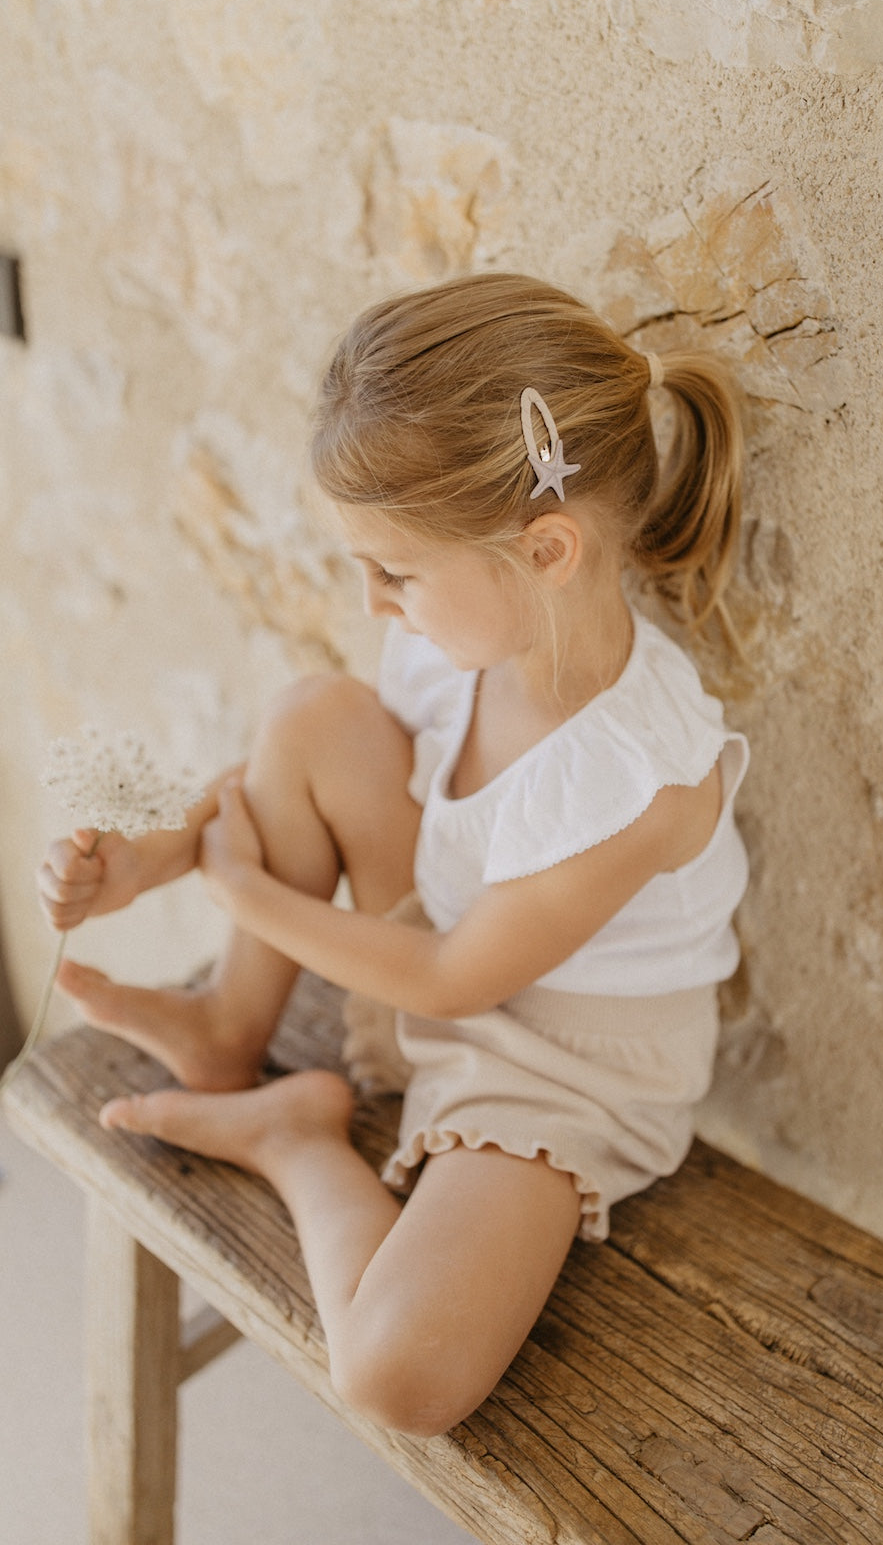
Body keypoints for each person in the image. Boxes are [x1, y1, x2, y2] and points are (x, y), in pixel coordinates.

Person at [37, 273, 749, 1438]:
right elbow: (318, 793)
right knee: (315, 712)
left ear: (546, 549)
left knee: (395, 1378)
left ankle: (297, 1136)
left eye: (396, 572)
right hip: (441, 952)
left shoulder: (645, 775)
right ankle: (231, 1024)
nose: (373, 601)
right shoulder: (458, 641)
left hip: (558, 1065)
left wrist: (239, 884)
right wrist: (162, 858)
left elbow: (456, 979)